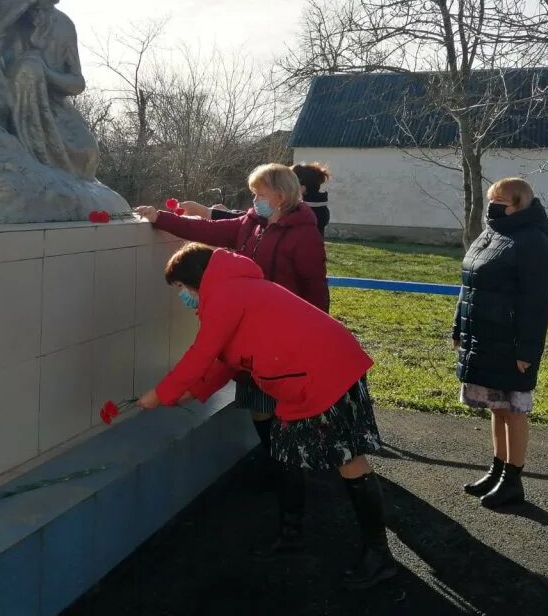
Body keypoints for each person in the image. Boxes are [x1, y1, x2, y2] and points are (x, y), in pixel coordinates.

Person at [137, 244, 397, 589]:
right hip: (314, 370)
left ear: (195, 280)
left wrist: (160, 394)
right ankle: (292, 536)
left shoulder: (226, 294)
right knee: (286, 454)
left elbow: (202, 353)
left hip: (322, 373)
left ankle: (378, 554)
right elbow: (224, 360)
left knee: (348, 459)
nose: (183, 297)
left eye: (182, 289)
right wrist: (192, 392)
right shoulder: (232, 290)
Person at [135, 165, 327, 457]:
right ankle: (274, 459)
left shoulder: (304, 234)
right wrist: (161, 218)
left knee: (284, 407)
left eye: (259, 194)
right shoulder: (250, 225)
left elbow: (315, 286)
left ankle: (290, 469)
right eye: (253, 194)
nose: (255, 200)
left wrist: (316, 331)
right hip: (250, 329)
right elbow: (204, 229)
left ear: (279, 195)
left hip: (285, 332)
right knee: (258, 406)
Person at [454, 177, 548, 508]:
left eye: (501, 201)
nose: (493, 206)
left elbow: (536, 301)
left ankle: (513, 479)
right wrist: (459, 328)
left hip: (511, 342)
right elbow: (468, 286)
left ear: (520, 204)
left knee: (514, 411)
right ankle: (497, 469)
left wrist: (527, 350)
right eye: (491, 199)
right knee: (496, 408)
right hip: (485, 337)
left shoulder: (532, 242)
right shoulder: (491, 234)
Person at [0, 0, 98, 179]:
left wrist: (47, 74)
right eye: (36, 8)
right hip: (8, 101)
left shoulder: (63, 27)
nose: (42, 15)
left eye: (48, 7)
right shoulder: (5, 25)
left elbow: (77, 83)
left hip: (54, 108)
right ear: (23, 3)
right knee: (26, 69)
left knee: (87, 152)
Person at [181, 162, 332, 236]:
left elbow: (257, 222)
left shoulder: (300, 215)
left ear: (301, 189)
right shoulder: (314, 211)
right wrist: (228, 212)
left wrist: (207, 212)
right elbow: (256, 218)